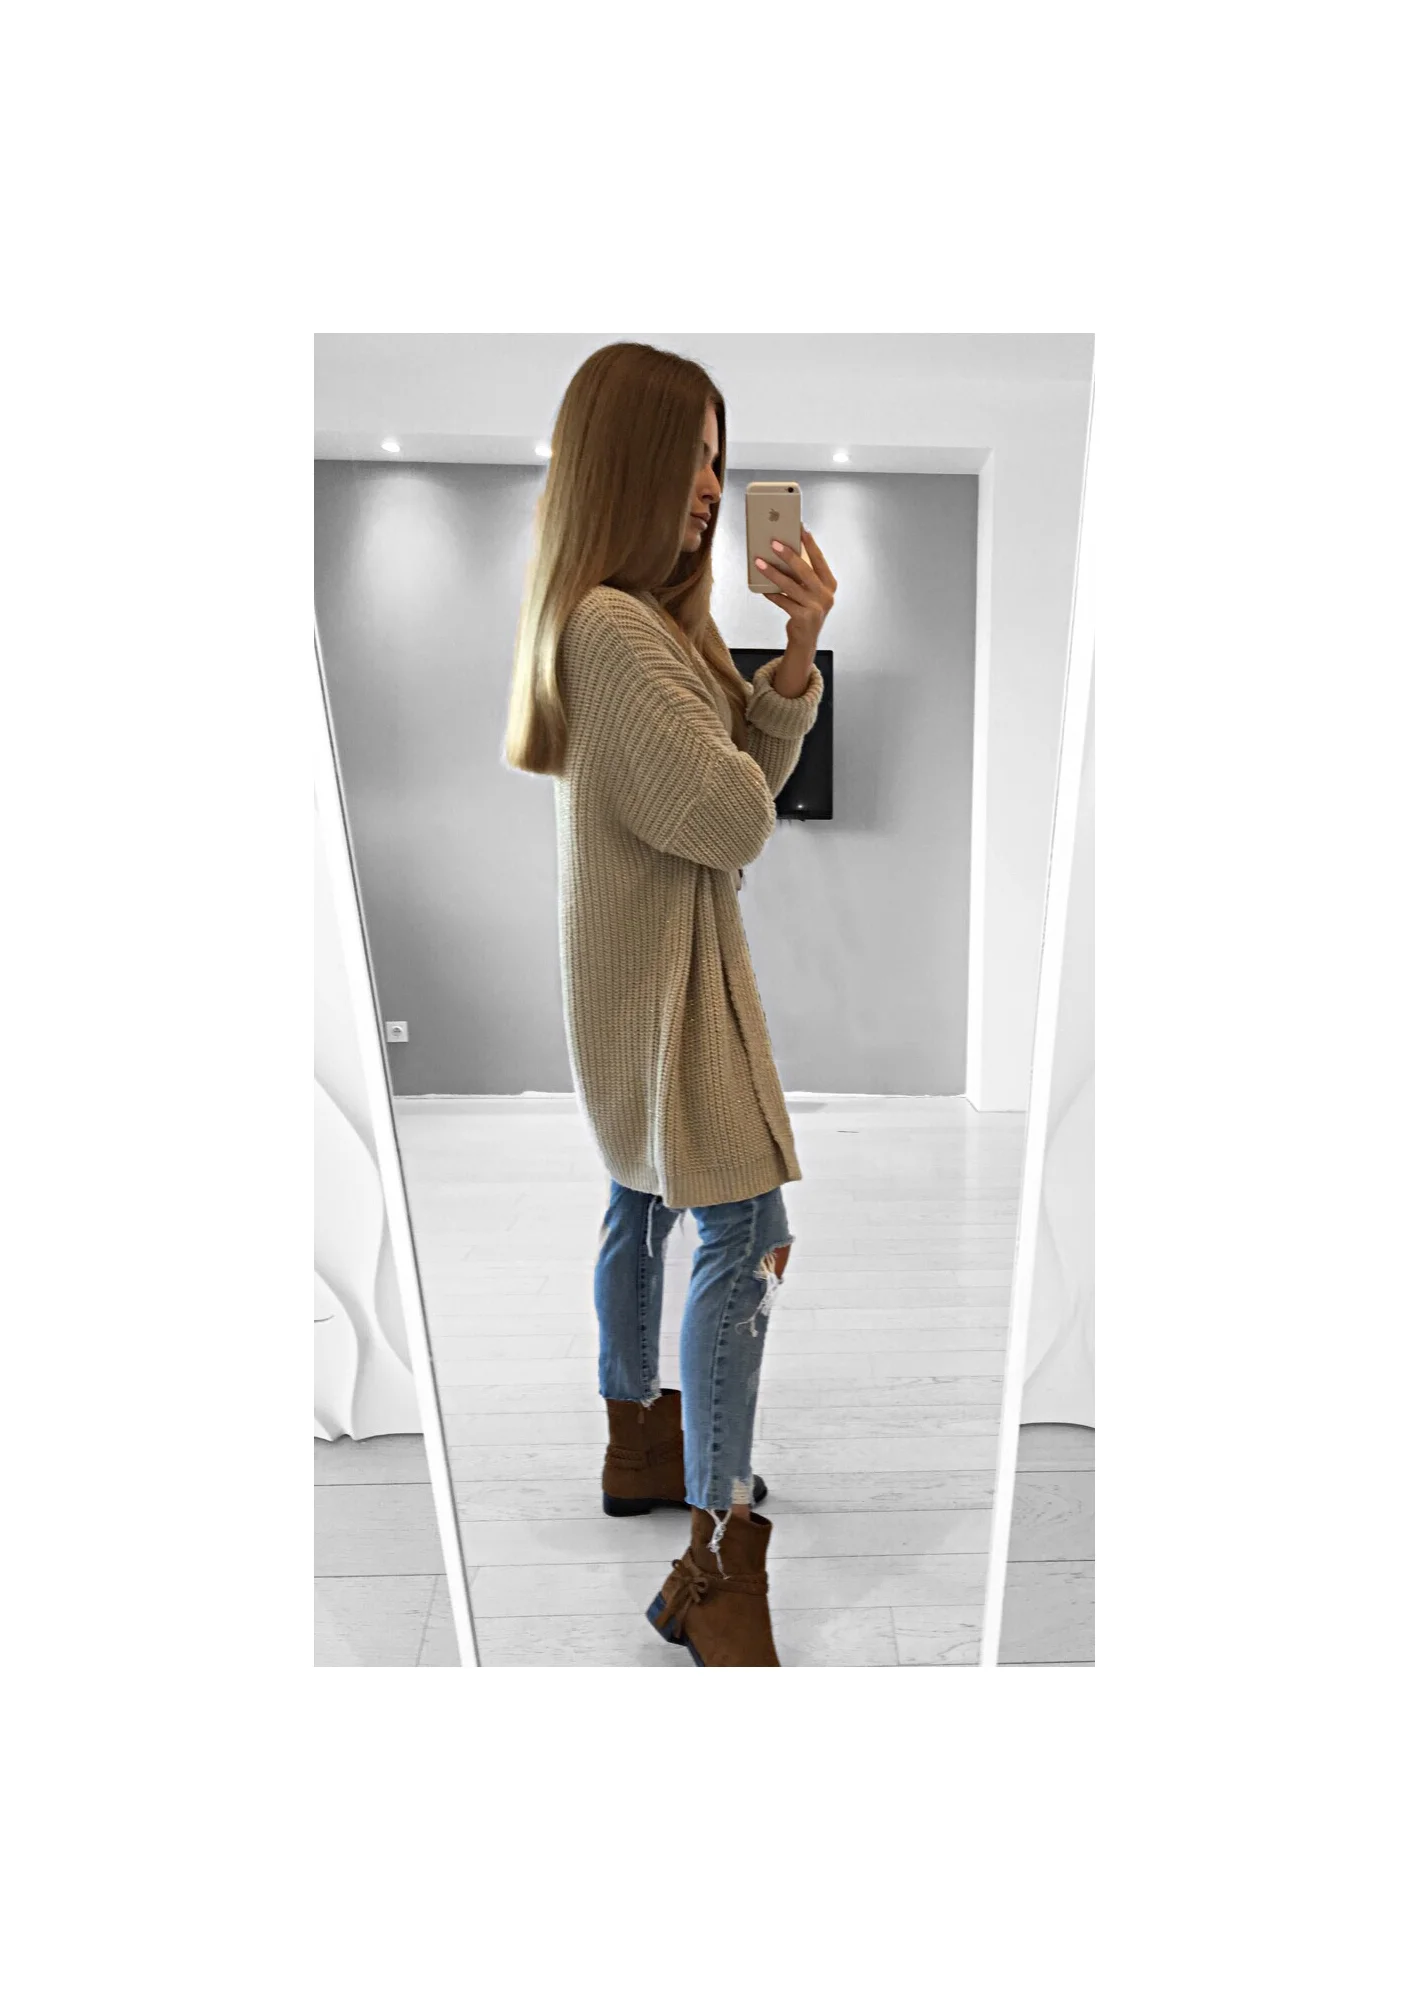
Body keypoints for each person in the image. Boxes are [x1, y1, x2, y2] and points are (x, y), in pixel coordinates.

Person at [503, 342, 837, 1665]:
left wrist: (794, 649)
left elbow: (733, 772)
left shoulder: (629, 619)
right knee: (743, 1229)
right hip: (667, 990)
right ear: (627, 459)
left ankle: (640, 1442)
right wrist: (745, 757)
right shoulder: (614, 628)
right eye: (691, 456)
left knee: (640, 1201)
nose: (711, 485)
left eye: (717, 456)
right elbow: (733, 814)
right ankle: (715, 1558)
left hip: (629, 977)